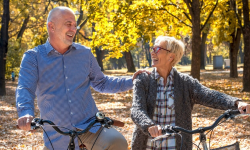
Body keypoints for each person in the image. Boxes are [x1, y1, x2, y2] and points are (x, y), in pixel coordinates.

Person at [16, 6, 147, 150]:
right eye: (68, 24)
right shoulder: (33, 57)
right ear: (51, 26)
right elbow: (25, 88)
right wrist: (26, 113)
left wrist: (132, 81)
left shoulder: (84, 54)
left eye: (75, 25)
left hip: (90, 127)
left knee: (117, 142)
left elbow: (101, 83)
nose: (74, 29)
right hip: (56, 133)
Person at [130, 35, 250, 150]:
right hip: (147, 146)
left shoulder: (185, 82)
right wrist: (149, 125)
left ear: (170, 56)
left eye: (157, 49)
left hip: (177, 146)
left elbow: (209, 95)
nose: (152, 52)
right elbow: (137, 109)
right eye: (152, 49)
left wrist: (236, 103)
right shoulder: (143, 79)